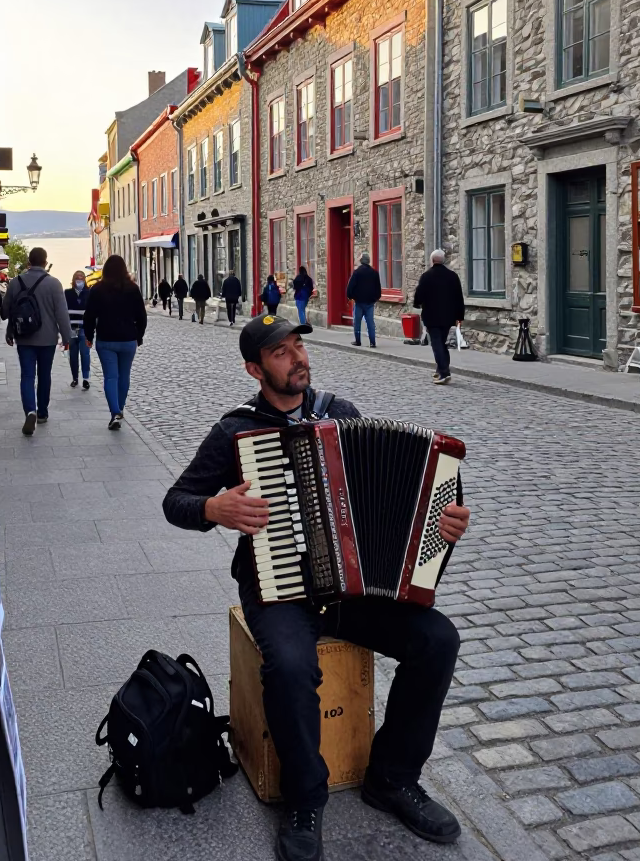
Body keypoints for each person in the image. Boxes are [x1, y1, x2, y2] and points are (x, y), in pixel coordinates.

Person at [162, 315, 471, 861]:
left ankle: (393, 777)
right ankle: (305, 799)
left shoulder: (340, 415)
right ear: (255, 369)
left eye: (298, 345)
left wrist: (441, 526)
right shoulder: (235, 431)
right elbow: (176, 503)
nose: (298, 357)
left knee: (438, 641)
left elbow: (398, 504)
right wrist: (214, 507)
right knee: (289, 666)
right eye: (281, 352)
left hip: (353, 593)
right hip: (279, 589)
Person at [1, 247, 72, 435]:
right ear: (45, 261)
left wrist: (9, 330)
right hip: (47, 338)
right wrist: (67, 338)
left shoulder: (16, 282)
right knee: (44, 375)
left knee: (27, 376)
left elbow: (6, 311)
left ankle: (29, 410)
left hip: (23, 337)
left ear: (28, 262)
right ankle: (42, 413)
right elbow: (62, 314)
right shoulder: (54, 283)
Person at [83, 254, 147, 430]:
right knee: (124, 376)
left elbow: (89, 316)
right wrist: (139, 336)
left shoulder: (97, 290)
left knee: (111, 377)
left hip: (106, 339)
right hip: (128, 339)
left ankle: (115, 412)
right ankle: (120, 408)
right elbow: (141, 316)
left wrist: (89, 335)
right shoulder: (133, 289)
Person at [413, 250, 465, 386]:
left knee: (437, 344)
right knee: (441, 342)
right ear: (443, 260)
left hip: (432, 316)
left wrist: (417, 305)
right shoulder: (452, 276)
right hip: (448, 317)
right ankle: (440, 369)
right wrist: (460, 316)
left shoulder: (426, 276)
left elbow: (418, 295)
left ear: (432, 261)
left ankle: (444, 372)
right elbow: (459, 297)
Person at [346, 252, 382, 348]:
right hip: (370, 302)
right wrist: (375, 298)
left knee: (357, 322)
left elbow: (350, 287)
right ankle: (372, 342)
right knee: (370, 323)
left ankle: (358, 341)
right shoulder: (374, 273)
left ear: (361, 261)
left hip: (359, 301)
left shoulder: (357, 272)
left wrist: (350, 297)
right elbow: (378, 289)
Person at [65, 270, 91, 390]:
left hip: (84, 329)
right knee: (73, 355)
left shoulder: (89, 293)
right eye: (77, 278)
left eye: (81, 277)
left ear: (85, 279)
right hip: (71, 328)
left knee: (85, 354)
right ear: (73, 279)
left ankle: (86, 378)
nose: (79, 280)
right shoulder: (67, 293)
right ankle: (75, 378)